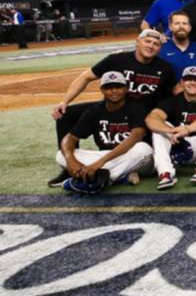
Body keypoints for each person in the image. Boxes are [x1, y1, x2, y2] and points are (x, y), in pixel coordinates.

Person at [49, 29, 175, 187]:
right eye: (147, 41)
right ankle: (71, 169)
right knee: (66, 115)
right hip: (114, 106)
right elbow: (86, 77)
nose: (151, 46)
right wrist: (64, 102)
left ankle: (101, 173)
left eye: (156, 44)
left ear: (160, 49)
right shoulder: (117, 60)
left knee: (143, 150)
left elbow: (176, 93)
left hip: (144, 115)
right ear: (137, 42)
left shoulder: (165, 68)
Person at [56, 71, 154, 194]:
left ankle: (94, 179)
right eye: (109, 87)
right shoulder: (94, 111)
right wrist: (71, 160)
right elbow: (70, 138)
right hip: (108, 158)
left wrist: (99, 163)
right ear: (102, 90)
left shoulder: (137, 107)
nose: (114, 91)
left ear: (126, 89)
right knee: (61, 154)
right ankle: (115, 177)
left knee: (144, 148)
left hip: (134, 158)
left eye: (118, 87)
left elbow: (135, 137)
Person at [145, 66, 196, 189]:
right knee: (158, 130)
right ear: (181, 83)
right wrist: (170, 130)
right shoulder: (172, 101)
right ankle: (165, 173)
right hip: (182, 147)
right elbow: (151, 118)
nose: (192, 83)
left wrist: (187, 129)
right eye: (188, 79)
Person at [158, 12, 196, 94]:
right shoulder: (160, 49)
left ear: (189, 28)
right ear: (170, 27)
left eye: (184, 23)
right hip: (168, 100)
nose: (181, 27)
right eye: (177, 23)